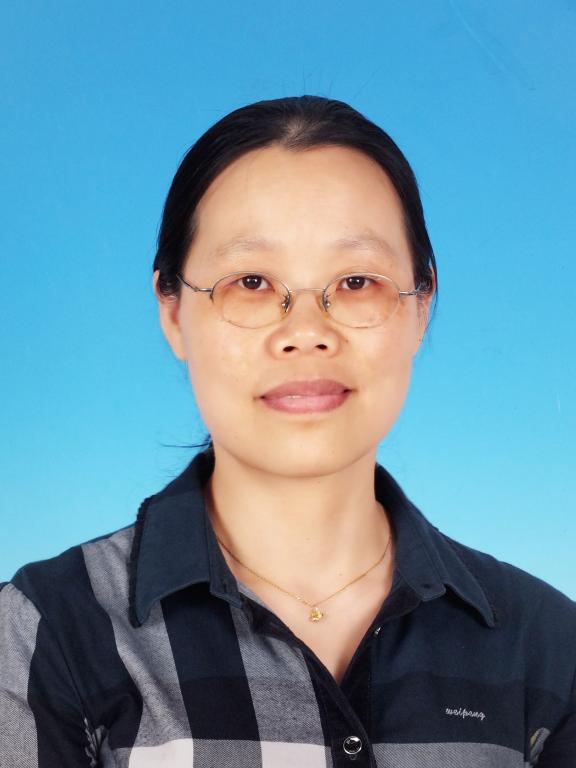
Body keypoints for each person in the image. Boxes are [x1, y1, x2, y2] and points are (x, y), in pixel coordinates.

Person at [1, 95, 574, 768]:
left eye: (356, 281)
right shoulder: (48, 632)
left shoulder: (546, 645)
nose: (306, 333)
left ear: (421, 306)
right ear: (173, 311)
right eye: (251, 282)